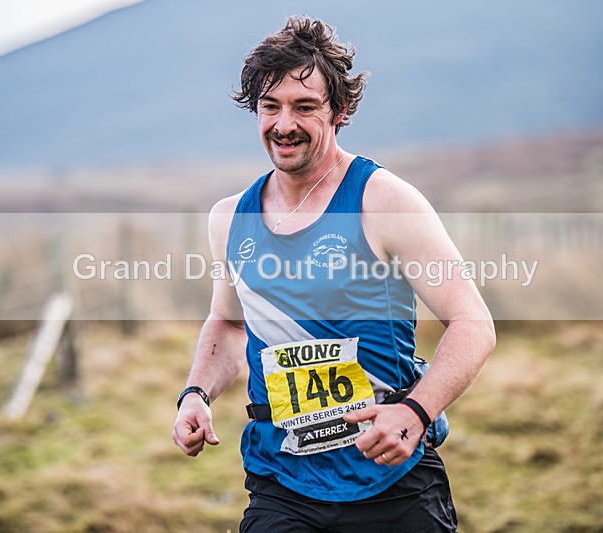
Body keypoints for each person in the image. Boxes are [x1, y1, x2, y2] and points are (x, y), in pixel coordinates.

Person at [172, 16, 495, 532]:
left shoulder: (382, 200)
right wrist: (196, 394)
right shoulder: (230, 218)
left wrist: (416, 412)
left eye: (304, 107)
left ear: (339, 110)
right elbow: (229, 324)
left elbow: (473, 323)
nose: (284, 124)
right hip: (282, 482)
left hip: (390, 478)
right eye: (270, 106)